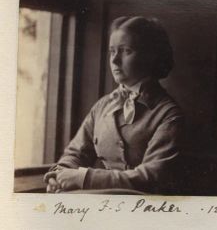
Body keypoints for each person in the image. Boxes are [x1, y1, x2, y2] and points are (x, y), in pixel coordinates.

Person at [43, 16, 184, 194]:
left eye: (126, 51)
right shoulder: (103, 106)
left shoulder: (168, 114)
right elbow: (75, 153)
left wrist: (84, 178)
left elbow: (152, 176)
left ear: (150, 56)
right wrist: (59, 174)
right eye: (112, 51)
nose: (115, 60)